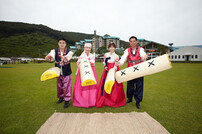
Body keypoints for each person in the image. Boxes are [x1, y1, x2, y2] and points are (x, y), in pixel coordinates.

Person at [117, 36, 149, 109]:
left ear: (136, 41)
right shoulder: (127, 50)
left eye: (134, 41)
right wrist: (120, 63)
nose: (132, 43)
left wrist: (144, 57)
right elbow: (123, 58)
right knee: (130, 85)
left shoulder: (141, 49)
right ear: (129, 42)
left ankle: (138, 102)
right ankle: (130, 98)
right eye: (131, 41)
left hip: (139, 71)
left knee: (139, 86)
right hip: (130, 70)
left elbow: (143, 55)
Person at [45, 37, 72, 108]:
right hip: (58, 71)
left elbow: (68, 57)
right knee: (59, 85)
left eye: (63, 43)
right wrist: (49, 56)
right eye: (60, 43)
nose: (62, 44)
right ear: (58, 43)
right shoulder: (55, 51)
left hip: (66, 71)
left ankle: (67, 100)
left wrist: (64, 58)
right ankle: (61, 98)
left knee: (67, 86)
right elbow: (52, 54)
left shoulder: (69, 52)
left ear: (65, 44)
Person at [96, 42, 126, 107]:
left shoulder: (116, 56)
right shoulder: (106, 54)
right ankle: (105, 99)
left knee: (115, 84)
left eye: (113, 47)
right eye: (110, 47)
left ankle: (114, 100)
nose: (111, 48)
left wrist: (113, 70)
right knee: (104, 83)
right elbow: (104, 61)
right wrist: (105, 66)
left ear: (115, 48)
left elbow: (116, 64)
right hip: (107, 69)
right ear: (108, 48)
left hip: (114, 70)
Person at [73, 43, 98, 108]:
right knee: (83, 84)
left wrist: (88, 62)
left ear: (90, 49)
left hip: (91, 71)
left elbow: (93, 62)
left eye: (89, 48)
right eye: (86, 47)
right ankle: (84, 99)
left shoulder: (92, 55)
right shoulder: (82, 56)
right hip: (83, 72)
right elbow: (78, 62)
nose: (87, 49)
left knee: (91, 84)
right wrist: (78, 63)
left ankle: (91, 100)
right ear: (84, 48)